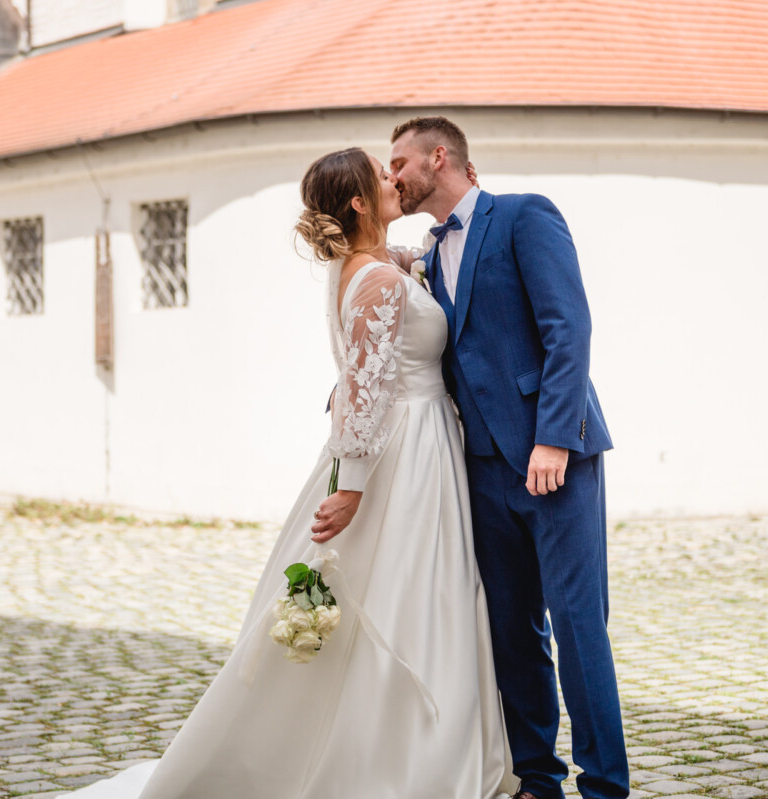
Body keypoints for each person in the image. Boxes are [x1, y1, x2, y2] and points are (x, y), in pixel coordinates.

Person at [56, 148, 516, 798]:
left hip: (419, 442)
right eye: (381, 177)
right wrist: (352, 487)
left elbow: (374, 343)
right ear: (357, 201)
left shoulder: (372, 266)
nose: (393, 182)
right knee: (413, 591)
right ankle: (405, 761)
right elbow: (364, 389)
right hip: (403, 451)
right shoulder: (378, 281)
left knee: (414, 590)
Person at [388, 116, 630, 799]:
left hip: (556, 461)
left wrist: (554, 435)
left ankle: (606, 787)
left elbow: (568, 326)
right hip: (481, 470)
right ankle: (538, 779)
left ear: (442, 157)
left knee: (580, 627)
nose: (393, 175)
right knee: (512, 633)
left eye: (400, 161)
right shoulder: (429, 254)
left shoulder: (525, 216)